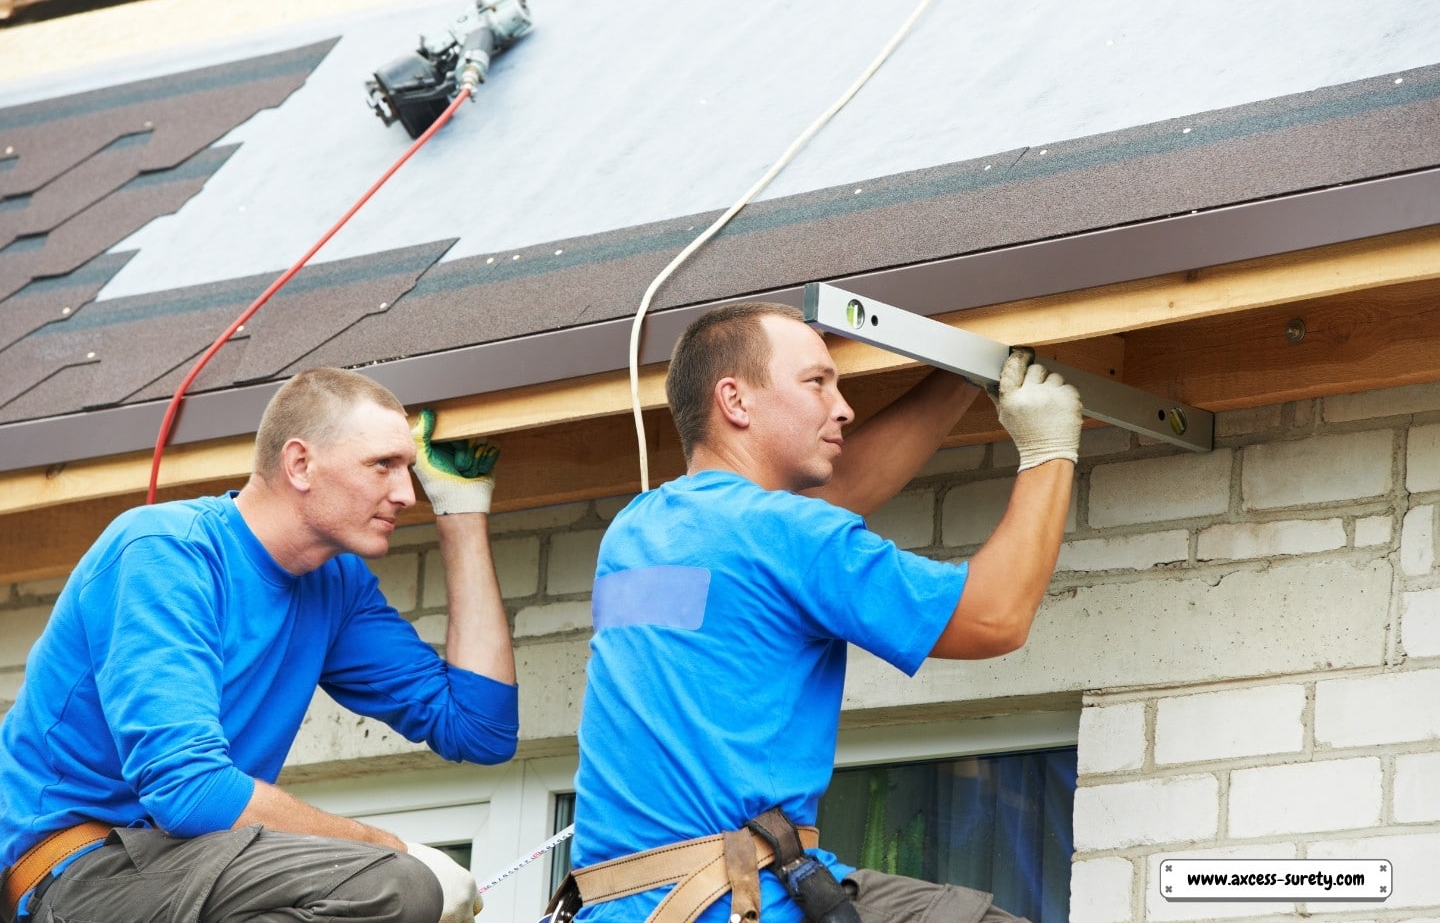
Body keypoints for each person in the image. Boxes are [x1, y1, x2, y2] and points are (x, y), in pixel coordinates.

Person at [565, 302, 1082, 923]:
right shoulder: (786, 536)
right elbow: (996, 616)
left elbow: (825, 506)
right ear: (735, 401)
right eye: (817, 382)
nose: (843, 407)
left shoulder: (637, 534)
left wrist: (966, 372)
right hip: (736, 900)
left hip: (624, 905)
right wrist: (1050, 448)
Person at [0, 368, 516, 923]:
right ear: (300, 464)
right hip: (81, 875)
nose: (405, 493)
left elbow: (481, 729)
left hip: (190, 863)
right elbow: (191, 791)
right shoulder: (165, 553)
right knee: (393, 884)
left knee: (389, 885)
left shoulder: (335, 587)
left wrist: (461, 513)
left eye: (409, 469)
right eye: (382, 466)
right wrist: (392, 846)